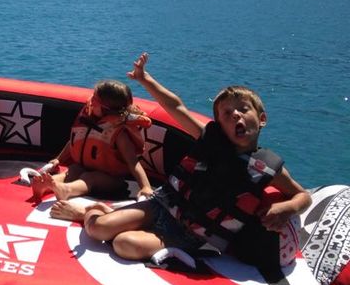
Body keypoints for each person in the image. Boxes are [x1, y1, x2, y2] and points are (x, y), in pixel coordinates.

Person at [81, 52, 311, 272]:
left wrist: (286, 207)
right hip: (163, 205)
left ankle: (110, 214)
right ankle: (94, 211)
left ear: (262, 119)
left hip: (195, 235)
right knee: (98, 228)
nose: (236, 116)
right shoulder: (209, 139)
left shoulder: (266, 166)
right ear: (220, 124)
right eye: (227, 113)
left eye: (243, 110)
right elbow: (176, 107)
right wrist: (144, 78)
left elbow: (303, 196)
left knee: (124, 244)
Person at [30, 80, 154, 220]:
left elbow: (133, 162)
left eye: (94, 99)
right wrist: (58, 159)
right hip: (83, 168)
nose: (90, 102)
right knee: (74, 170)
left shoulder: (120, 133)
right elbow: (74, 141)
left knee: (90, 178)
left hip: (111, 180)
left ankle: (65, 190)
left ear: (106, 109)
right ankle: (47, 183)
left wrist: (145, 187)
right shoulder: (89, 117)